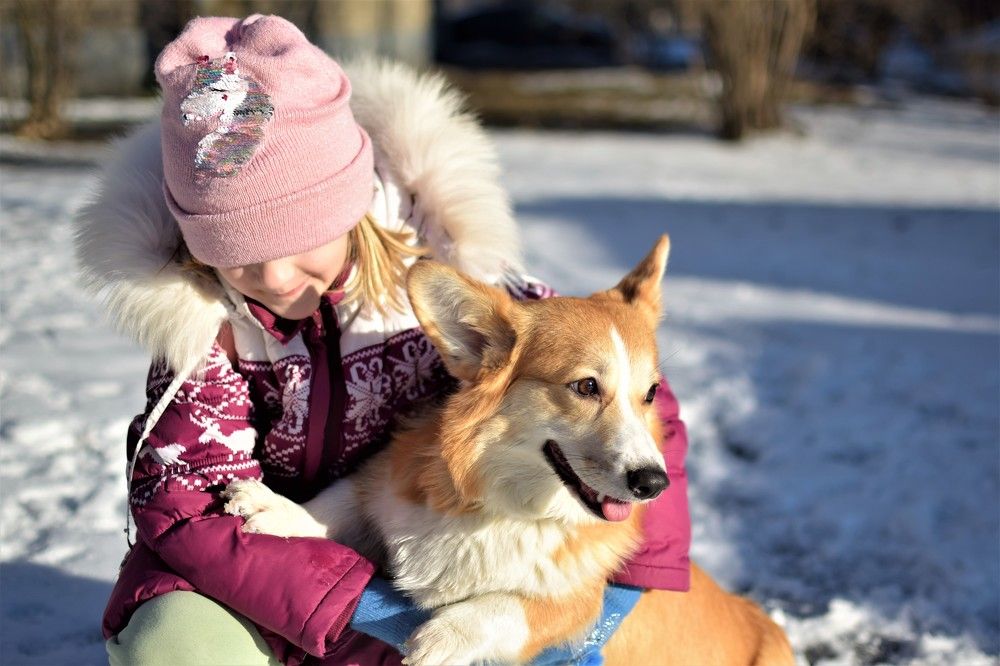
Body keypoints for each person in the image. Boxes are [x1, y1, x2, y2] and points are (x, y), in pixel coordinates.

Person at [75, 14, 691, 666]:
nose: (277, 278)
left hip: (405, 543)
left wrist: (633, 579)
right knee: (175, 646)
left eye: (295, 240)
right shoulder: (202, 331)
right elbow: (186, 508)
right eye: (240, 258)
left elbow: (641, 392)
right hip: (264, 571)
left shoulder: (452, 273)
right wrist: (359, 607)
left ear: (350, 203)